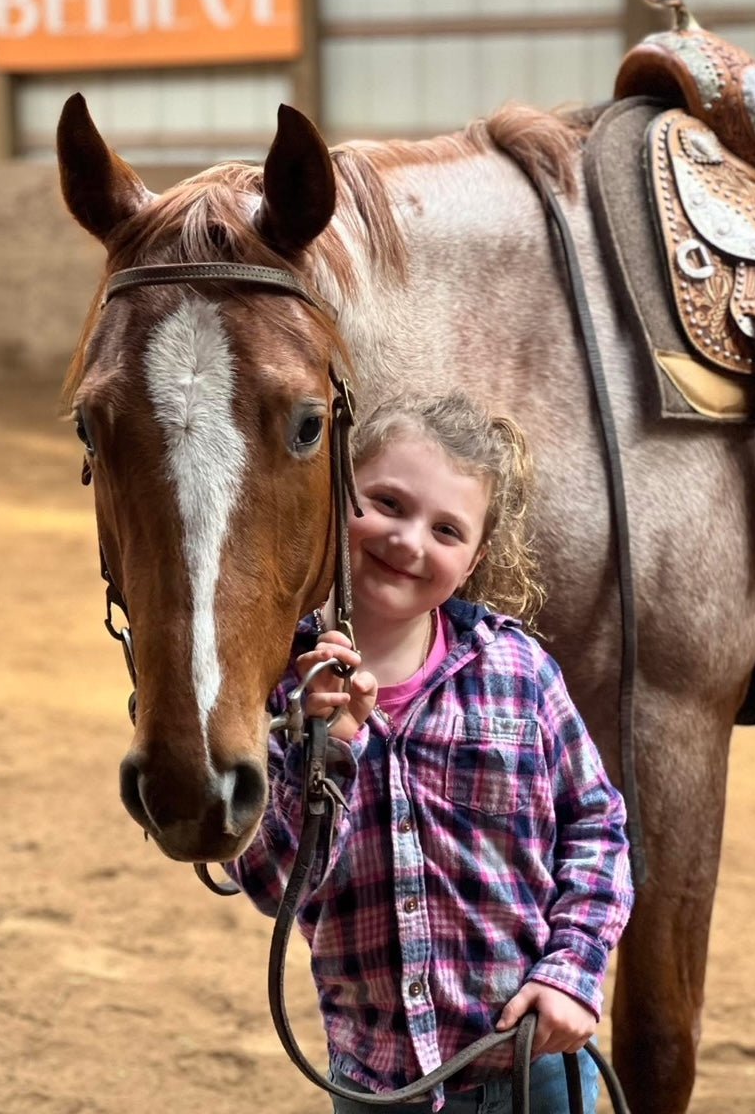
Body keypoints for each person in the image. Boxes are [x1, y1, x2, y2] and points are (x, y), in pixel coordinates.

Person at [226, 392, 634, 1113]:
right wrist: (329, 752)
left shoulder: (518, 674)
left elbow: (597, 828)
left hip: (533, 1064)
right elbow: (270, 883)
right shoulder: (267, 691)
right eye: (386, 502)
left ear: (475, 557)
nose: (410, 541)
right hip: (380, 1082)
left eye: (447, 529)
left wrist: (574, 967)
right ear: (331, 498)